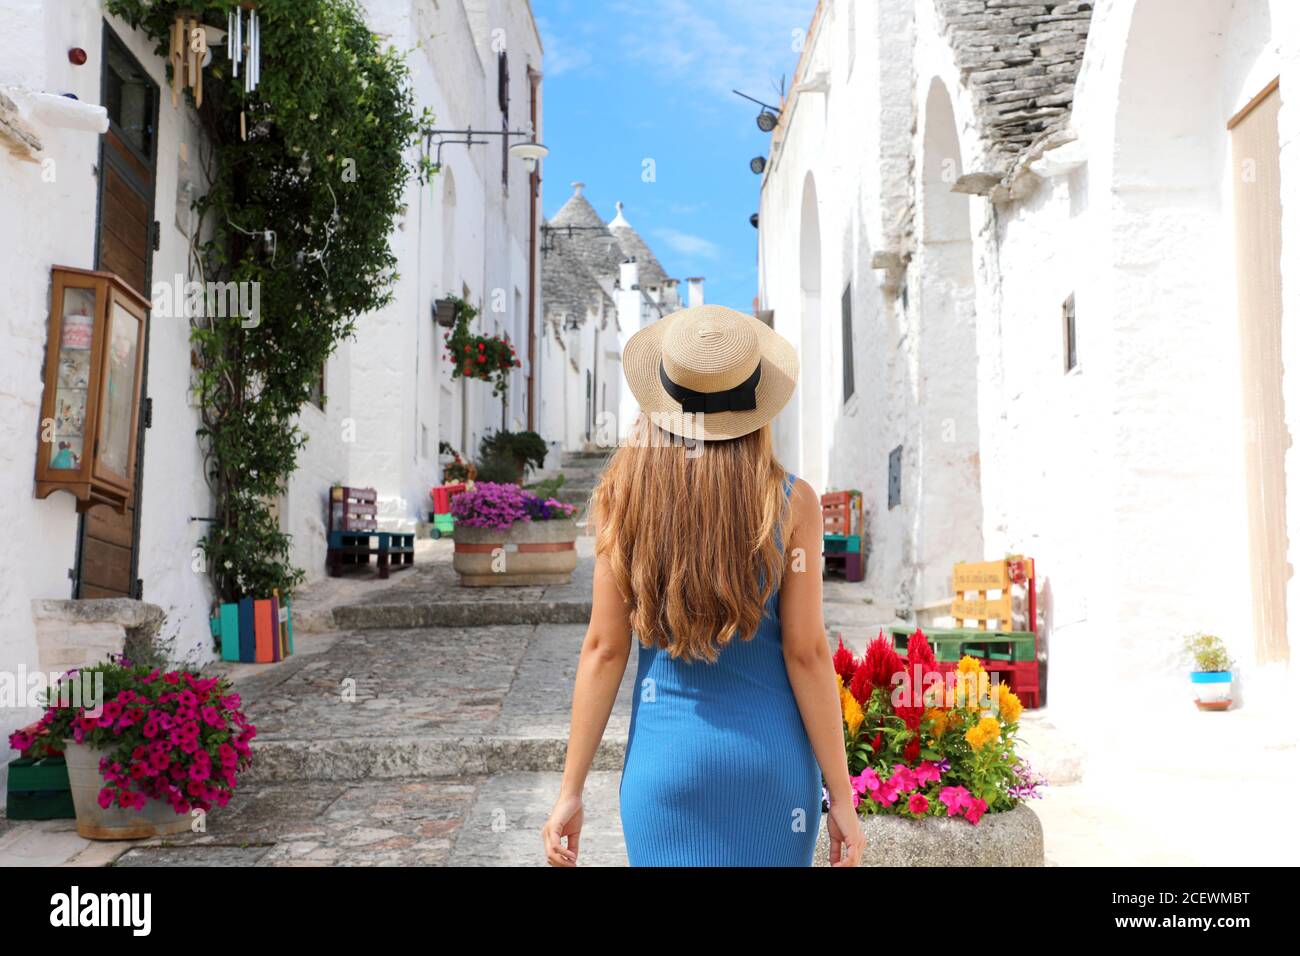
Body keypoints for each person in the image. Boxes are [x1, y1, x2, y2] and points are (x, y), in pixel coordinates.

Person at [541, 303, 865, 867]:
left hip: (666, 771)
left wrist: (570, 790)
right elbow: (808, 654)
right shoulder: (792, 503)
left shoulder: (624, 498)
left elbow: (604, 648)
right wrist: (842, 797)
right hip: (771, 773)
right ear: (757, 405)